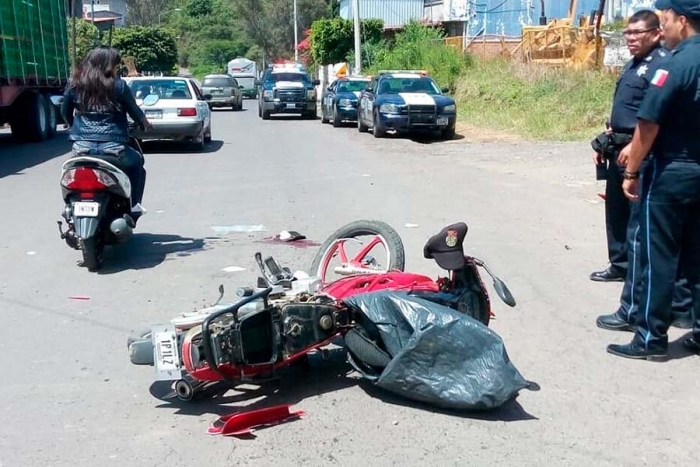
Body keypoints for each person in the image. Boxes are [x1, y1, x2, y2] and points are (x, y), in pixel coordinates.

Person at [607, 0, 700, 360]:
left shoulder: (674, 65)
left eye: (664, 20)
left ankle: (650, 337)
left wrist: (631, 172)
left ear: (681, 21)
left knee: (655, 253)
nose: (664, 29)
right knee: (695, 255)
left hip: (672, 172)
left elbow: (648, 122)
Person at [590, 9, 668, 283]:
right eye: (628, 33)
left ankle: (639, 274)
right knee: (616, 211)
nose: (631, 39)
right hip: (618, 146)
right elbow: (625, 107)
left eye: (637, 33)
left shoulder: (660, 64)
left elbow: (655, 116)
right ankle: (619, 264)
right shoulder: (632, 64)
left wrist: (635, 145)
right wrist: (606, 137)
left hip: (640, 152)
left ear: (656, 33)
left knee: (638, 219)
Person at [60, 46, 152, 221]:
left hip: (81, 147)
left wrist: (74, 128)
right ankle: (133, 204)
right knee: (137, 163)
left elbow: (65, 112)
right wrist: (144, 124)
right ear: (108, 65)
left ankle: (68, 206)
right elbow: (135, 112)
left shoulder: (75, 83)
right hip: (114, 147)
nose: (117, 69)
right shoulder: (118, 86)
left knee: (70, 173)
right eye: (115, 65)